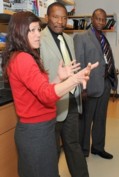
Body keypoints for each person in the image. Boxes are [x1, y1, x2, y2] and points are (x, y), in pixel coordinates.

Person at [1, 11, 98, 177]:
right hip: (36, 133)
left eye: (39, 29)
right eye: (32, 30)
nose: (38, 34)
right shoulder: (24, 58)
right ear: (19, 31)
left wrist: (58, 78)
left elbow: (40, 89)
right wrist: (74, 79)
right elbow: (46, 95)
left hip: (38, 131)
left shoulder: (21, 56)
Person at [40, 2, 90, 177]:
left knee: (73, 144)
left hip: (72, 101)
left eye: (64, 17)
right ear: (47, 17)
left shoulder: (69, 39)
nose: (60, 21)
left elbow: (72, 68)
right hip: (52, 103)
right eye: (55, 16)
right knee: (52, 150)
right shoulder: (39, 39)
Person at [74, 8, 118, 159]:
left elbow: (106, 58)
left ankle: (98, 147)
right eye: (98, 18)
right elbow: (79, 64)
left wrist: (112, 79)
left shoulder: (103, 38)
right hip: (90, 87)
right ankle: (83, 150)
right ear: (92, 19)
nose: (100, 22)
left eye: (103, 19)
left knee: (100, 119)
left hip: (105, 84)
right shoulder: (81, 37)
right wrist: (82, 88)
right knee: (86, 121)